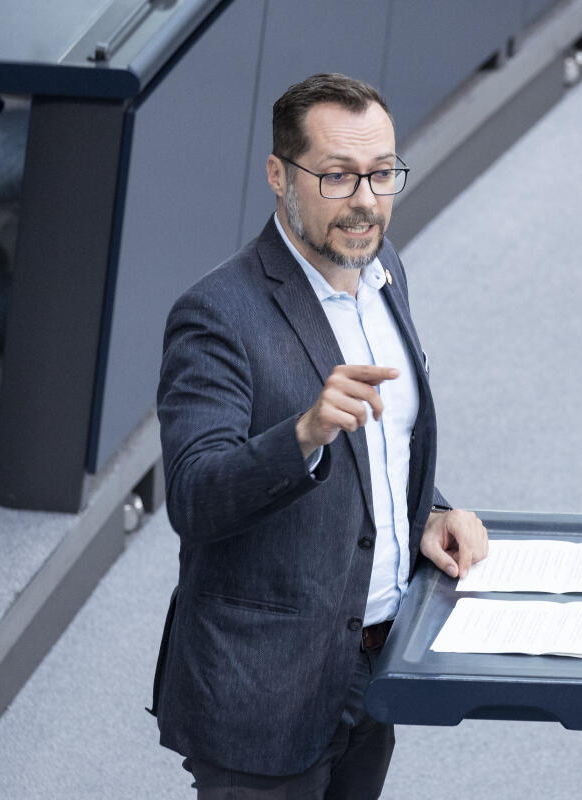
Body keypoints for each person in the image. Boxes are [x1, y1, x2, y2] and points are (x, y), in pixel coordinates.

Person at [150, 73, 489, 799]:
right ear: (279, 175)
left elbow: (384, 445)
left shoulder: (384, 270)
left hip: (371, 664)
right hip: (262, 689)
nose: (366, 201)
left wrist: (427, 513)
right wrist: (302, 434)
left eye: (382, 174)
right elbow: (193, 496)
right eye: (337, 176)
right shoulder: (216, 315)